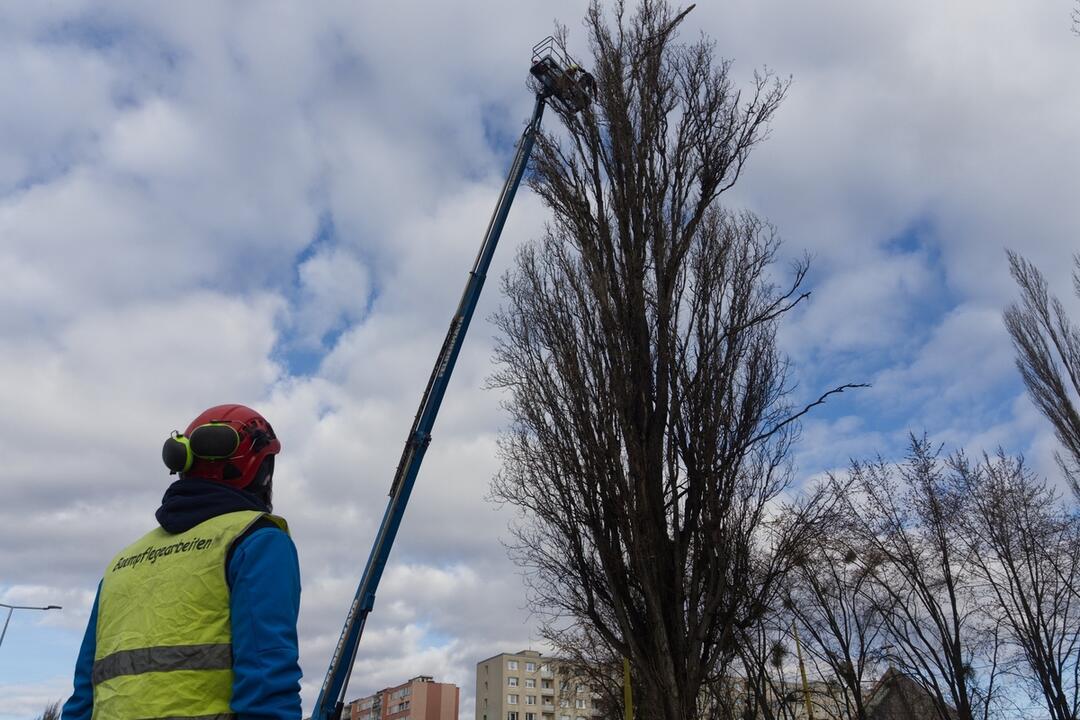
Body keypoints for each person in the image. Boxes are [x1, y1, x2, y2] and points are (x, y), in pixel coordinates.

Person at [61, 404, 302, 720]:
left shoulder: (122, 563)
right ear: (262, 471)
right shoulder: (254, 539)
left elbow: (83, 695)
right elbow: (267, 677)